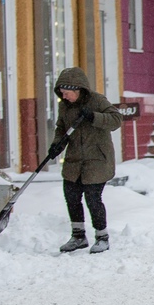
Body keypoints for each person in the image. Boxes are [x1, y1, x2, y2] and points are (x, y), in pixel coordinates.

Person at [49, 67, 122, 253]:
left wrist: (94, 117)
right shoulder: (65, 106)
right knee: (71, 196)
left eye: (67, 93)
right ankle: (78, 236)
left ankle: (102, 237)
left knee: (92, 198)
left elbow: (116, 120)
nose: (64, 97)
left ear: (78, 89)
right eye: (62, 93)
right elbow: (61, 128)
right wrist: (57, 144)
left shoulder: (97, 101)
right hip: (74, 160)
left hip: (97, 159)